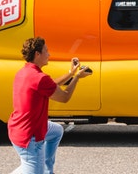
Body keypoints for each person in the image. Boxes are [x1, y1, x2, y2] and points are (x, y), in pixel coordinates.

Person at [8, 36, 91, 174]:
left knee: (56, 131)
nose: (49, 54)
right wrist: (76, 78)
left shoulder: (25, 72)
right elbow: (64, 97)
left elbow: (51, 85)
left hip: (19, 128)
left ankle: (47, 170)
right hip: (29, 137)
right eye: (46, 51)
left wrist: (71, 73)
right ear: (37, 54)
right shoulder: (39, 78)